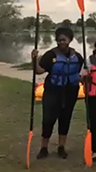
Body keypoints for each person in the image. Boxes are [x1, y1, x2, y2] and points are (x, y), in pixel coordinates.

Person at [31, 27, 84, 159]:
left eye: (64, 39)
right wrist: (34, 60)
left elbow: (82, 74)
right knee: (48, 120)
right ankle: (44, 148)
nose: (62, 41)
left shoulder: (77, 57)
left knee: (65, 120)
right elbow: (38, 71)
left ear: (70, 40)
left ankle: (61, 147)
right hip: (52, 92)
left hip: (70, 92)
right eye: (59, 39)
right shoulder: (50, 55)